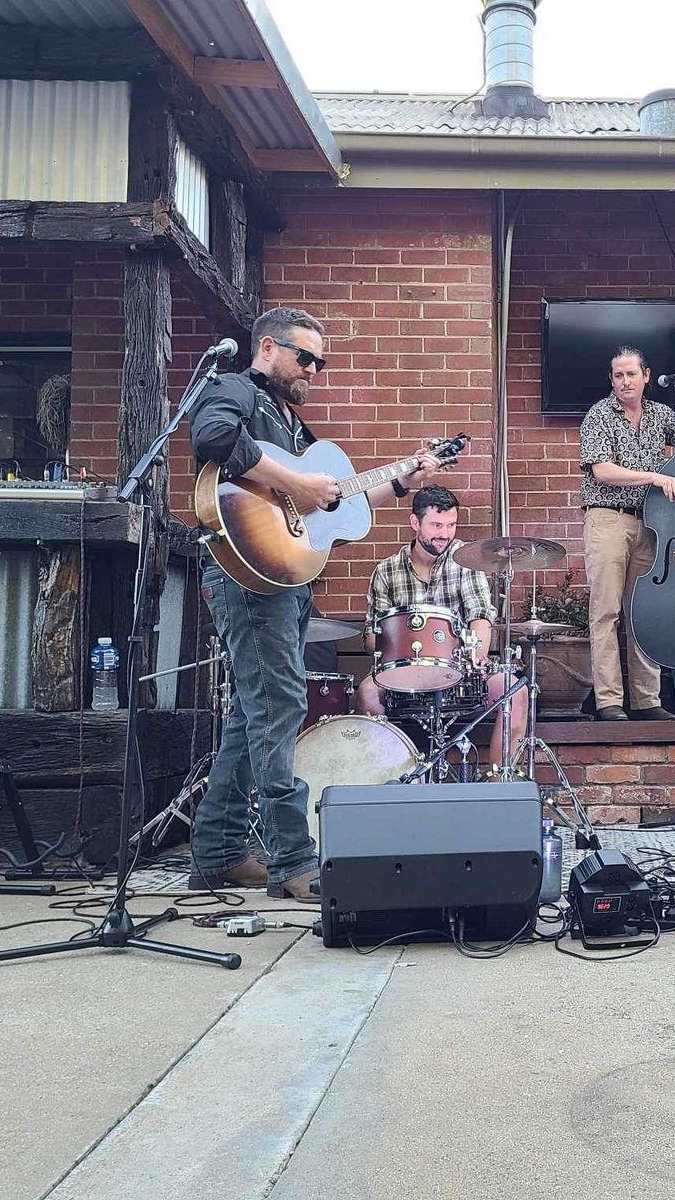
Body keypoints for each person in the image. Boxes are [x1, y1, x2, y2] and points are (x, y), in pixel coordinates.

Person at [188, 306, 440, 902]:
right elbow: (213, 436)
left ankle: (218, 852)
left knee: (251, 715)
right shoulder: (236, 390)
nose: (314, 370)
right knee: (281, 706)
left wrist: (402, 478)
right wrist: (297, 484)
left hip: (284, 579)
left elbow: (338, 506)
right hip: (249, 579)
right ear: (267, 349)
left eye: (320, 363)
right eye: (306, 357)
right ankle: (292, 859)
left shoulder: (292, 426)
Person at [577, 347, 675, 721]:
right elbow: (602, 471)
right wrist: (654, 476)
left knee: (642, 611)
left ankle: (646, 699)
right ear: (611, 379)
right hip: (608, 518)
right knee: (606, 611)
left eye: (631, 374)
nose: (625, 381)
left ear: (646, 376)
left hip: (651, 523)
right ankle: (609, 701)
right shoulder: (599, 414)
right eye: (618, 375)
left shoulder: (658, 414)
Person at [356, 484, 526, 765]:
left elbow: (480, 615)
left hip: (460, 669)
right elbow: (370, 638)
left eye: (451, 525)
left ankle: (500, 781)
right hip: (403, 676)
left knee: (515, 690)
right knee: (367, 692)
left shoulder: (466, 560)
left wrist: (477, 653)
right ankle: (383, 779)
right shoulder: (386, 571)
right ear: (415, 523)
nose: (445, 534)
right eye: (436, 525)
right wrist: (400, 645)